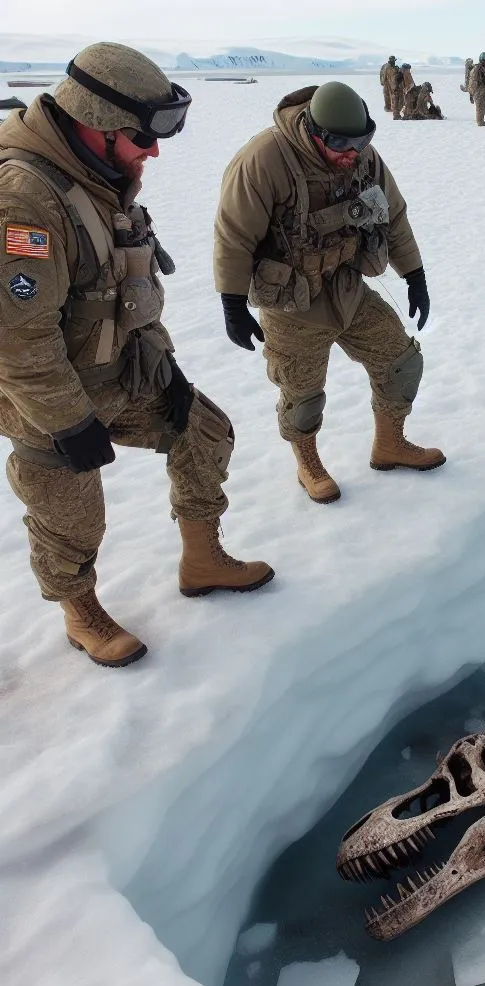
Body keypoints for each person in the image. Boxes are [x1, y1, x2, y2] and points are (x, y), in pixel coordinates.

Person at [0, 42, 273, 667]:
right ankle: (80, 612)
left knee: (203, 431)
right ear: (93, 127)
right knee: (71, 510)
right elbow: (18, 341)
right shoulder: (24, 201)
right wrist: (70, 423)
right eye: (141, 137)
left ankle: (202, 560)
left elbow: (123, 287)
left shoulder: (97, 176)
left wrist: (166, 367)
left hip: (117, 368)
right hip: (42, 393)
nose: (154, 151)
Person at [214, 81, 444, 506]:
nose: (351, 152)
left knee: (401, 362)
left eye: (361, 140)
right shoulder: (265, 160)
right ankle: (308, 464)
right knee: (302, 398)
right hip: (292, 304)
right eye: (340, 142)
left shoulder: (362, 159)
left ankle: (390, 444)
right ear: (315, 132)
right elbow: (233, 235)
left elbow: (393, 215)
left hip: (347, 289)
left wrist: (415, 274)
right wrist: (231, 301)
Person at [468, 53, 485, 126]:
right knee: (481, 106)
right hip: (480, 91)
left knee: (481, 106)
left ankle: (480, 120)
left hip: (476, 90)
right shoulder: (482, 69)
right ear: (483, 61)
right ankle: (480, 122)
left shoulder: (477, 67)